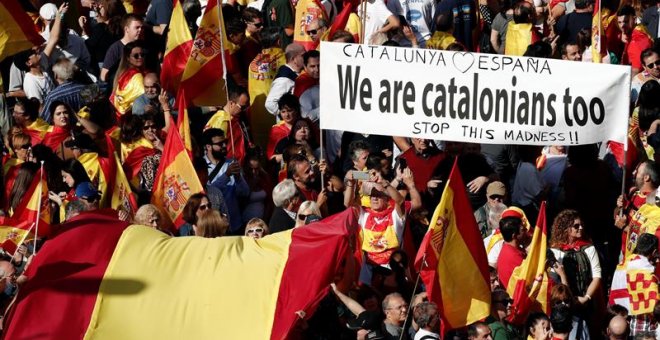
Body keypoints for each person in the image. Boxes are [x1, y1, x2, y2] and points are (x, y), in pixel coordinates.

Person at [549, 209, 602, 308]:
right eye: (576, 226)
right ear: (565, 229)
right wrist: (570, 298)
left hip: (587, 300)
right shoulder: (556, 251)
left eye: (581, 225)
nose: (581, 228)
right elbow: (554, 280)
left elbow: (597, 275)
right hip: (564, 302)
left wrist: (586, 297)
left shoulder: (589, 248)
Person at [203, 128, 249, 234]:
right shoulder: (201, 166)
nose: (224, 146)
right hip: (213, 226)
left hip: (234, 223)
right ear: (208, 146)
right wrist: (226, 175)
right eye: (220, 144)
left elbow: (244, 193)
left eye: (225, 142)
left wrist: (238, 178)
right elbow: (209, 192)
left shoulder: (231, 162)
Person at [264, 43, 305, 116]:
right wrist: (286, 116)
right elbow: (270, 103)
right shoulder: (284, 79)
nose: (306, 58)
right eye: (303, 56)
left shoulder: (294, 73)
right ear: (294, 59)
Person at [101, 14, 144, 83]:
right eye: (137, 27)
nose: (140, 30)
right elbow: (104, 76)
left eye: (142, 28)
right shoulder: (115, 49)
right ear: (126, 29)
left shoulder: (144, 46)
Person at [110, 41, 147, 116]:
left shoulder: (121, 73)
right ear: (128, 58)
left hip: (119, 115)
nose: (140, 57)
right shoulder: (137, 76)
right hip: (133, 115)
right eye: (136, 56)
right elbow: (144, 97)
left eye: (142, 55)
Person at [617, 5, 654, 76]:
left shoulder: (637, 40)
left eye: (626, 21)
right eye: (619, 22)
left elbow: (636, 71)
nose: (622, 26)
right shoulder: (637, 30)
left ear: (634, 19)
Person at [496, 211, 529, 287]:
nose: (526, 231)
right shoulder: (513, 257)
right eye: (523, 230)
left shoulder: (510, 250)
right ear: (514, 236)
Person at [267, 94, 301, 162]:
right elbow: (270, 157)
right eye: (283, 112)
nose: (287, 115)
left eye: (290, 110)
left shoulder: (305, 125)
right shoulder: (276, 130)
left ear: (296, 110)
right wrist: (287, 155)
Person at [294, 50, 320, 123]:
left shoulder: (326, 77)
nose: (317, 70)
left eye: (319, 65)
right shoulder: (302, 82)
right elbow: (305, 115)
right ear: (305, 67)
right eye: (312, 66)